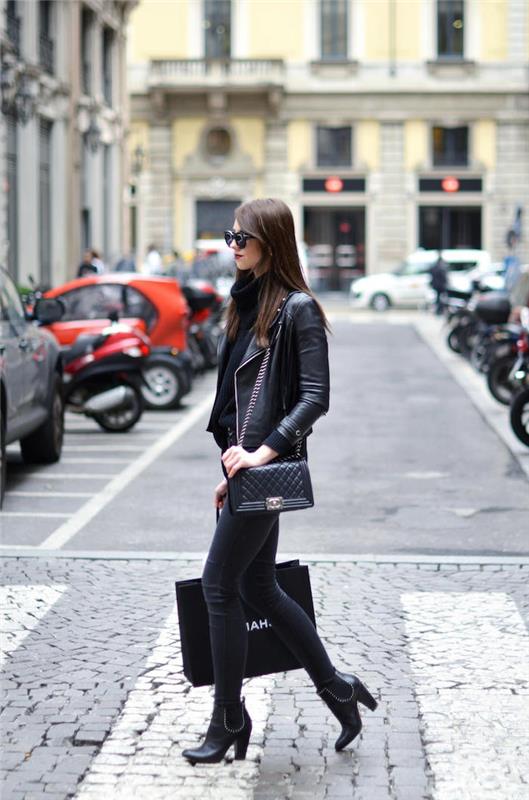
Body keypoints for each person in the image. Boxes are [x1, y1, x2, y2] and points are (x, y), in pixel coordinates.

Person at [182, 198, 377, 766]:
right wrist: (235, 464)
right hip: (248, 472)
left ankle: (228, 718)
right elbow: (239, 404)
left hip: (265, 469)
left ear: (272, 240)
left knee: (220, 585)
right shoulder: (246, 306)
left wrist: (260, 456)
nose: (234, 245)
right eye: (230, 236)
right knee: (260, 588)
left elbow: (315, 397)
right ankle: (338, 689)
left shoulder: (298, 310)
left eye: (243, 237)